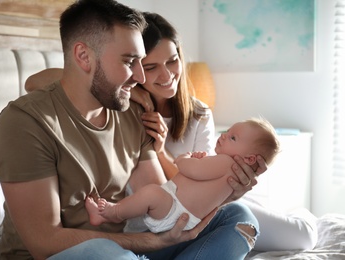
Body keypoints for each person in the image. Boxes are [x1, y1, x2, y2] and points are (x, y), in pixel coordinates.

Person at [25, 9, 318, 253]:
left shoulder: (198, 113)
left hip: (195, 208)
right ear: (133, 67)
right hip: (154, 222)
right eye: (150, 67)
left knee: (268, 223)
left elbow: (193, 183)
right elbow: (35, 83)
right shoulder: (122, 108)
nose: (166, 75)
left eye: (173, 60)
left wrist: (165, 151)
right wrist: (137, 97)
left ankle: (299, 212)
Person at [85, 118, 280, 234]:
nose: (223, 135)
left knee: (151, 193)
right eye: (227, 131)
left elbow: (192, 171)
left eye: (233, 137)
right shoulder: (228, 168)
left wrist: (184, 158)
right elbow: (201, 179)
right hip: (181, 214)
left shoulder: (227, 162)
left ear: (249, 157)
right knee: (151, 195)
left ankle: (112, 213)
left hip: (176, 209)